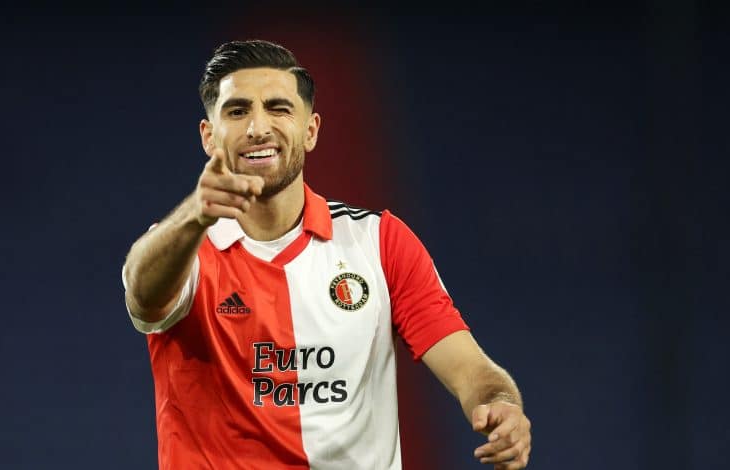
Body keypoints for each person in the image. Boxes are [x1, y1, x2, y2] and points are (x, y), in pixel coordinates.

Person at [122, 39, 531, 469]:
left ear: (311, 130)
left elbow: (470, 369)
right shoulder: (183, 248)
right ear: (209, 136)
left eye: (278, 108)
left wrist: (500, 403)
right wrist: (194, 215)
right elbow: (143, 298)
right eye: (237, 111)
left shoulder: (378, 242)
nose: (258, 127)